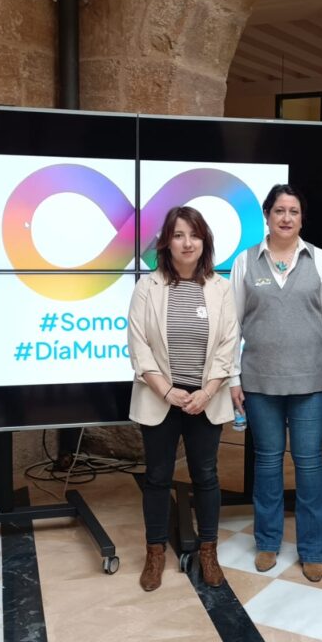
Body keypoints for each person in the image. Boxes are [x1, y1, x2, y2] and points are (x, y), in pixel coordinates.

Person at [230, 184, 322, 582]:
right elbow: (232, 326)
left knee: (309, 465)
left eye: (293, 211)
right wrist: (233, 377)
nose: (286, 218)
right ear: (267, 216)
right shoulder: (246, 261)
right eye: (279, 210)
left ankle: (313, 549)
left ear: (302, 218)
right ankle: (267, 542)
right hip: (259, 384)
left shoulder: (320, 260)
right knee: (266, 464)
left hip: (310, 385)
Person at [128, 206, 239, 591]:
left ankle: (208, 550)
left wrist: (206, 392)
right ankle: (155, 552)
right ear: (167, 242)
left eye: (194, 235)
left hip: (206, 400)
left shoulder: (221, 288)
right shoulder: (148, 286)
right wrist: (166, 390)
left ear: (204, 241)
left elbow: (228, 345)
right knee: (157, 477)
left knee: (206, 476)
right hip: (160, 398)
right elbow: (138, 345)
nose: (187, 243)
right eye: (178, 235)